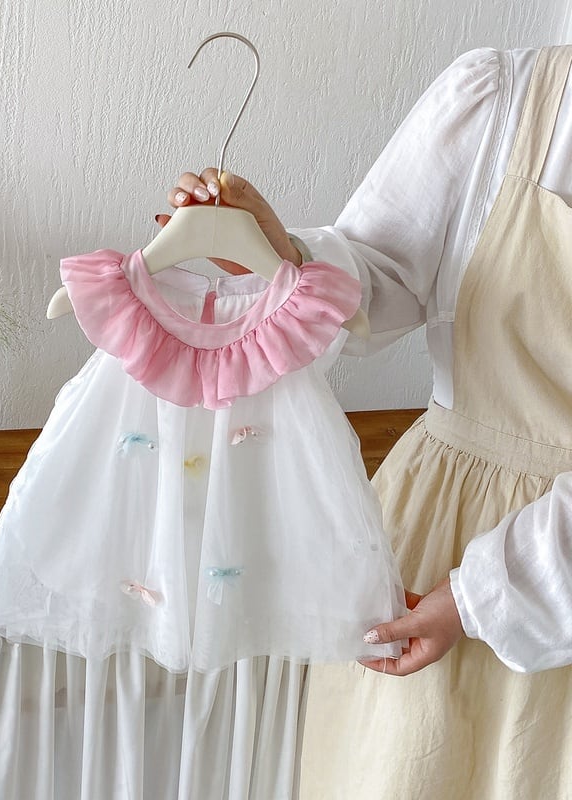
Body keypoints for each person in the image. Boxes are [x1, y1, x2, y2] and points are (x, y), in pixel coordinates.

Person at [162, 46, 572, 799]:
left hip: (505, 573)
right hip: (442, 532)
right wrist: (280, 257)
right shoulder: (504, 96)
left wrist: (482, 597)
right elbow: (387, 272)